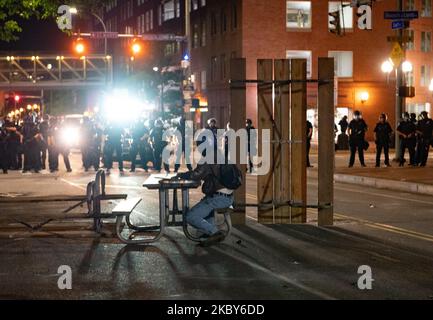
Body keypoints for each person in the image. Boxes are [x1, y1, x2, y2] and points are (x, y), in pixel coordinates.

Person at [173, 159, 236, 247]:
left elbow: (196, 175)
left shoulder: (208, 159)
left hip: (218, 198)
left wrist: (181, 175)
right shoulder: (223, 157)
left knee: (190, 216)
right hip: (229, 198)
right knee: (206, 208)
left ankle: (215, 232)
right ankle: (208, 233)